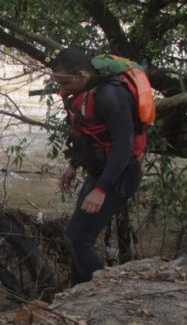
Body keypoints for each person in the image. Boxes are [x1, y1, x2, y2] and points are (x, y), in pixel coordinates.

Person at [52, 48, 145, 285]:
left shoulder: (110, 97)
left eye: (65, 81)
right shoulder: (84, 93)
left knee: (78, 239)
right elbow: (89, 135)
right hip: (99, 172)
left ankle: (98, 291)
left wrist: (101, 189)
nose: (62, 87)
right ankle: (78, 290)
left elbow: (124, 147)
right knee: (76, 237)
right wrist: (74, 163)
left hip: (120, 174)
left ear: (82, 73)